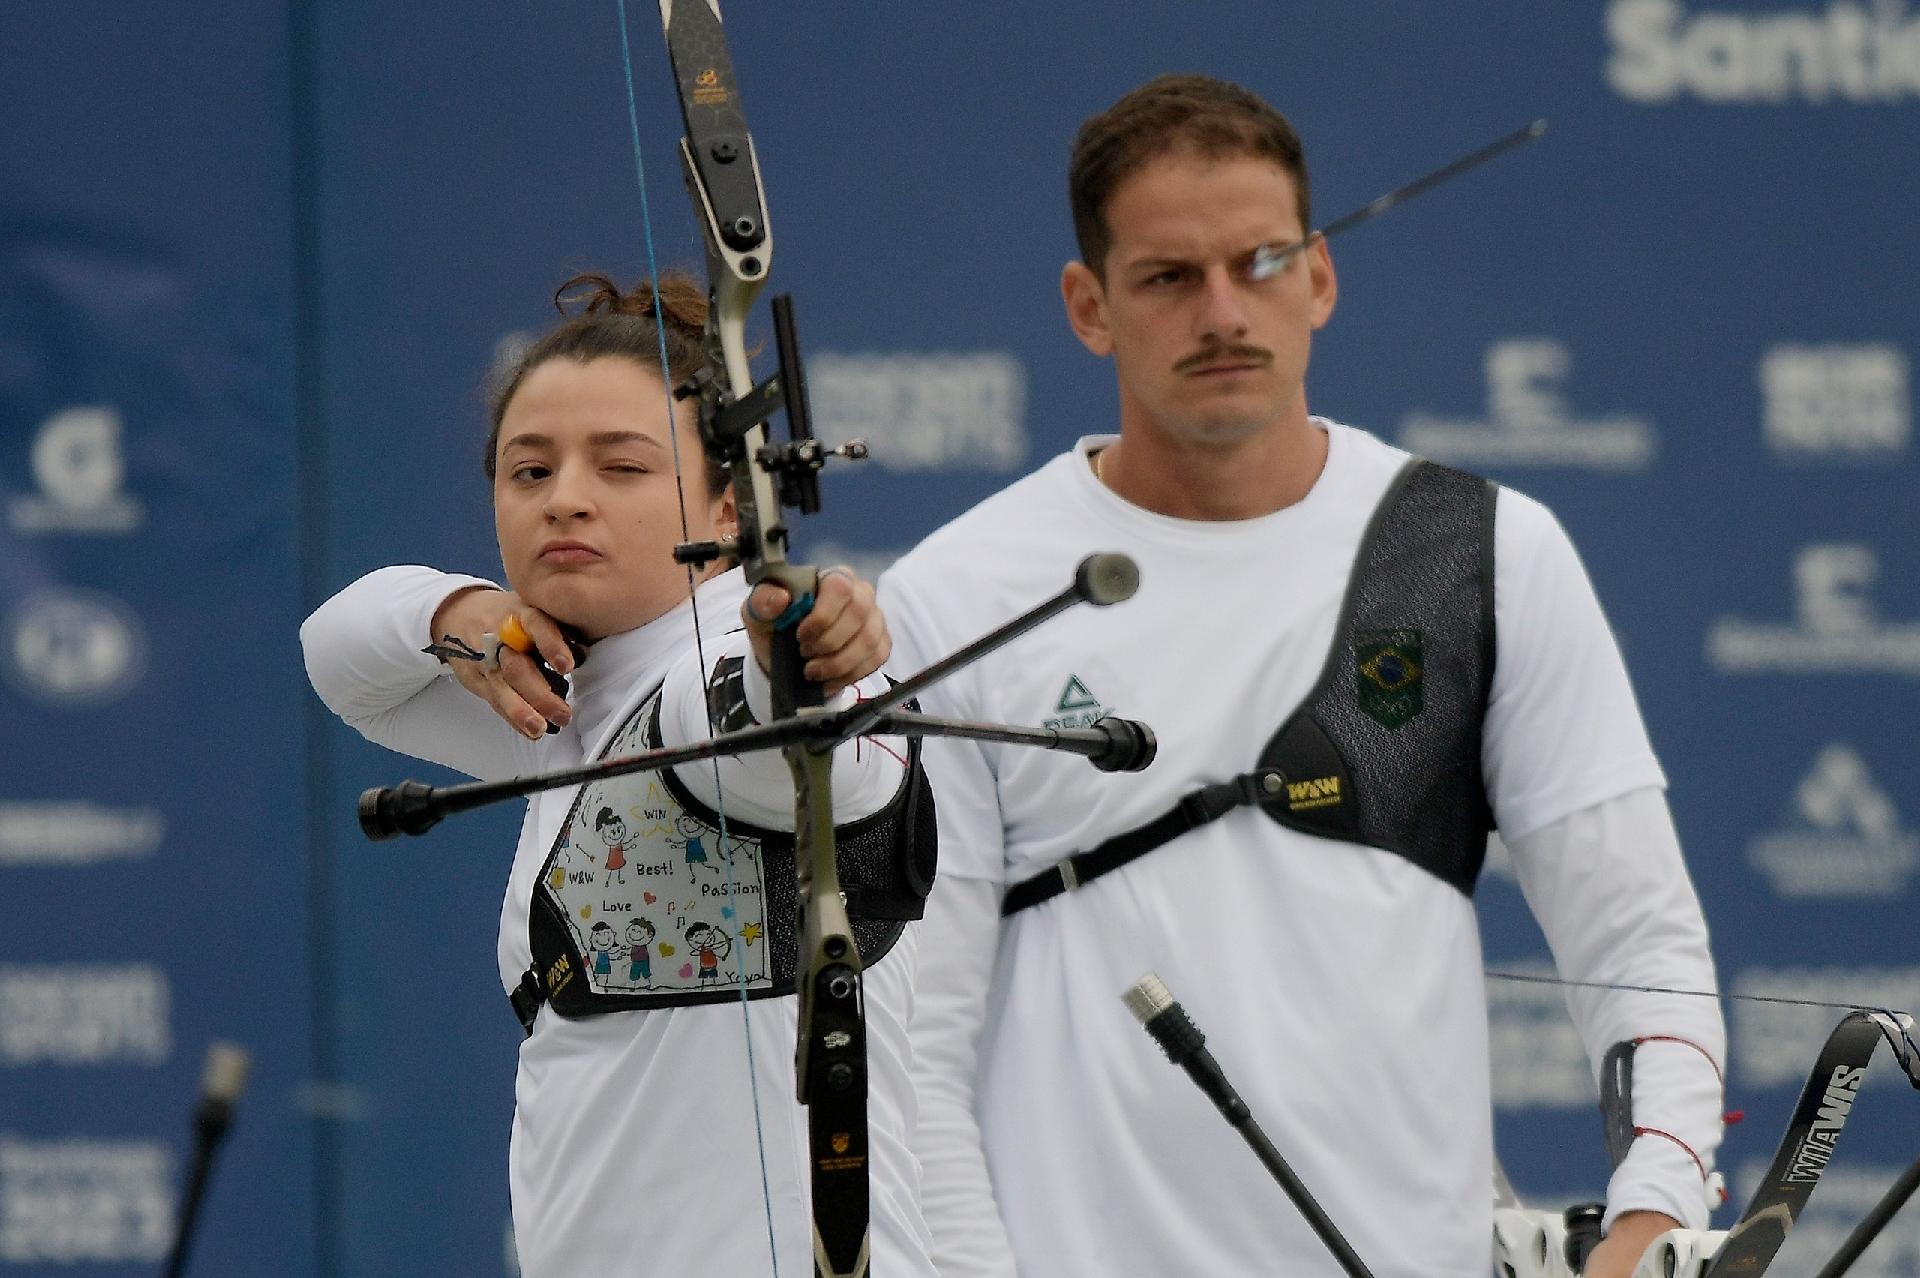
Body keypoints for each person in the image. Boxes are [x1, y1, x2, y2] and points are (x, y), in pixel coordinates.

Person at [878, 75, 1725, 1277]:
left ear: (1320, 276)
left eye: (1261, 262)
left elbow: (1637, 932)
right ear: (1089, 307)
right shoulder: (957, 594)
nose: (1223, 310)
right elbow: (915, 1041)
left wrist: (1655, 1207)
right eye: (1170, 277)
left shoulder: (1480, 551)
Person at [301, 273, 939, 1277]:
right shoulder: (553, 697)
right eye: (528, 471)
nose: (565, 498)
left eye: (623, 467)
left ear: (731, 507)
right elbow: (339, 659)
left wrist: (804, 644)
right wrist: (460, 612)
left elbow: (778, 728)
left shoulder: (711, 670)